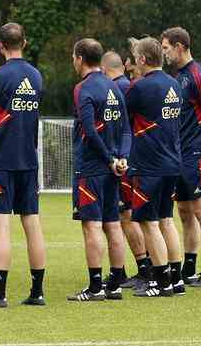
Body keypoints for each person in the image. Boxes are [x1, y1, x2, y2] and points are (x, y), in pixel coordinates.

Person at [0, 23, 47, 309]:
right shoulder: (36, 76)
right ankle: (37, 292)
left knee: (0, 226)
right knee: (32, 223)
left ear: (0, 45)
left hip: (2, 161)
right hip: (29, 159)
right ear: (24, 42)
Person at [66, 39, 131, 301]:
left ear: (80, 58)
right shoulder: (113, 87)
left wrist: (107, 159)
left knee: (91, 226)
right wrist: (121, 157)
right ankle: (114, 285)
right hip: (113, 168)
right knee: (113, 225)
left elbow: (90, 132)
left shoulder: (83, 89)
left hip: (92, 168)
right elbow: (127, 127)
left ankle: (95, 288)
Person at [122, 37, 185, 298]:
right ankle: (177, 279)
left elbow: (124, 118)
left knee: (148, 223)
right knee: (166, 220)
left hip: (149, 166)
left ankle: (161, 283)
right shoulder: (174, 85)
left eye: (137, 56)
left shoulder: (139, 88)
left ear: (143, 60)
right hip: (172, 164)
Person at [161, 27, 201, 288]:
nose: (163, 53)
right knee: (184, 211)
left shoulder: (198, 76)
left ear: (179, 47)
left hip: (197, 154)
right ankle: (189, 266)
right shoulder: (179, 76)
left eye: (165, 48)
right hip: (180, 154)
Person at [108, 44, 151, 289]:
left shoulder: (123, 89)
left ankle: (145, 268)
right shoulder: (127, 86)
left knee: (128, 215)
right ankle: (141, 268)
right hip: (131, 159)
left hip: (128, 161)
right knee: (129, 216)